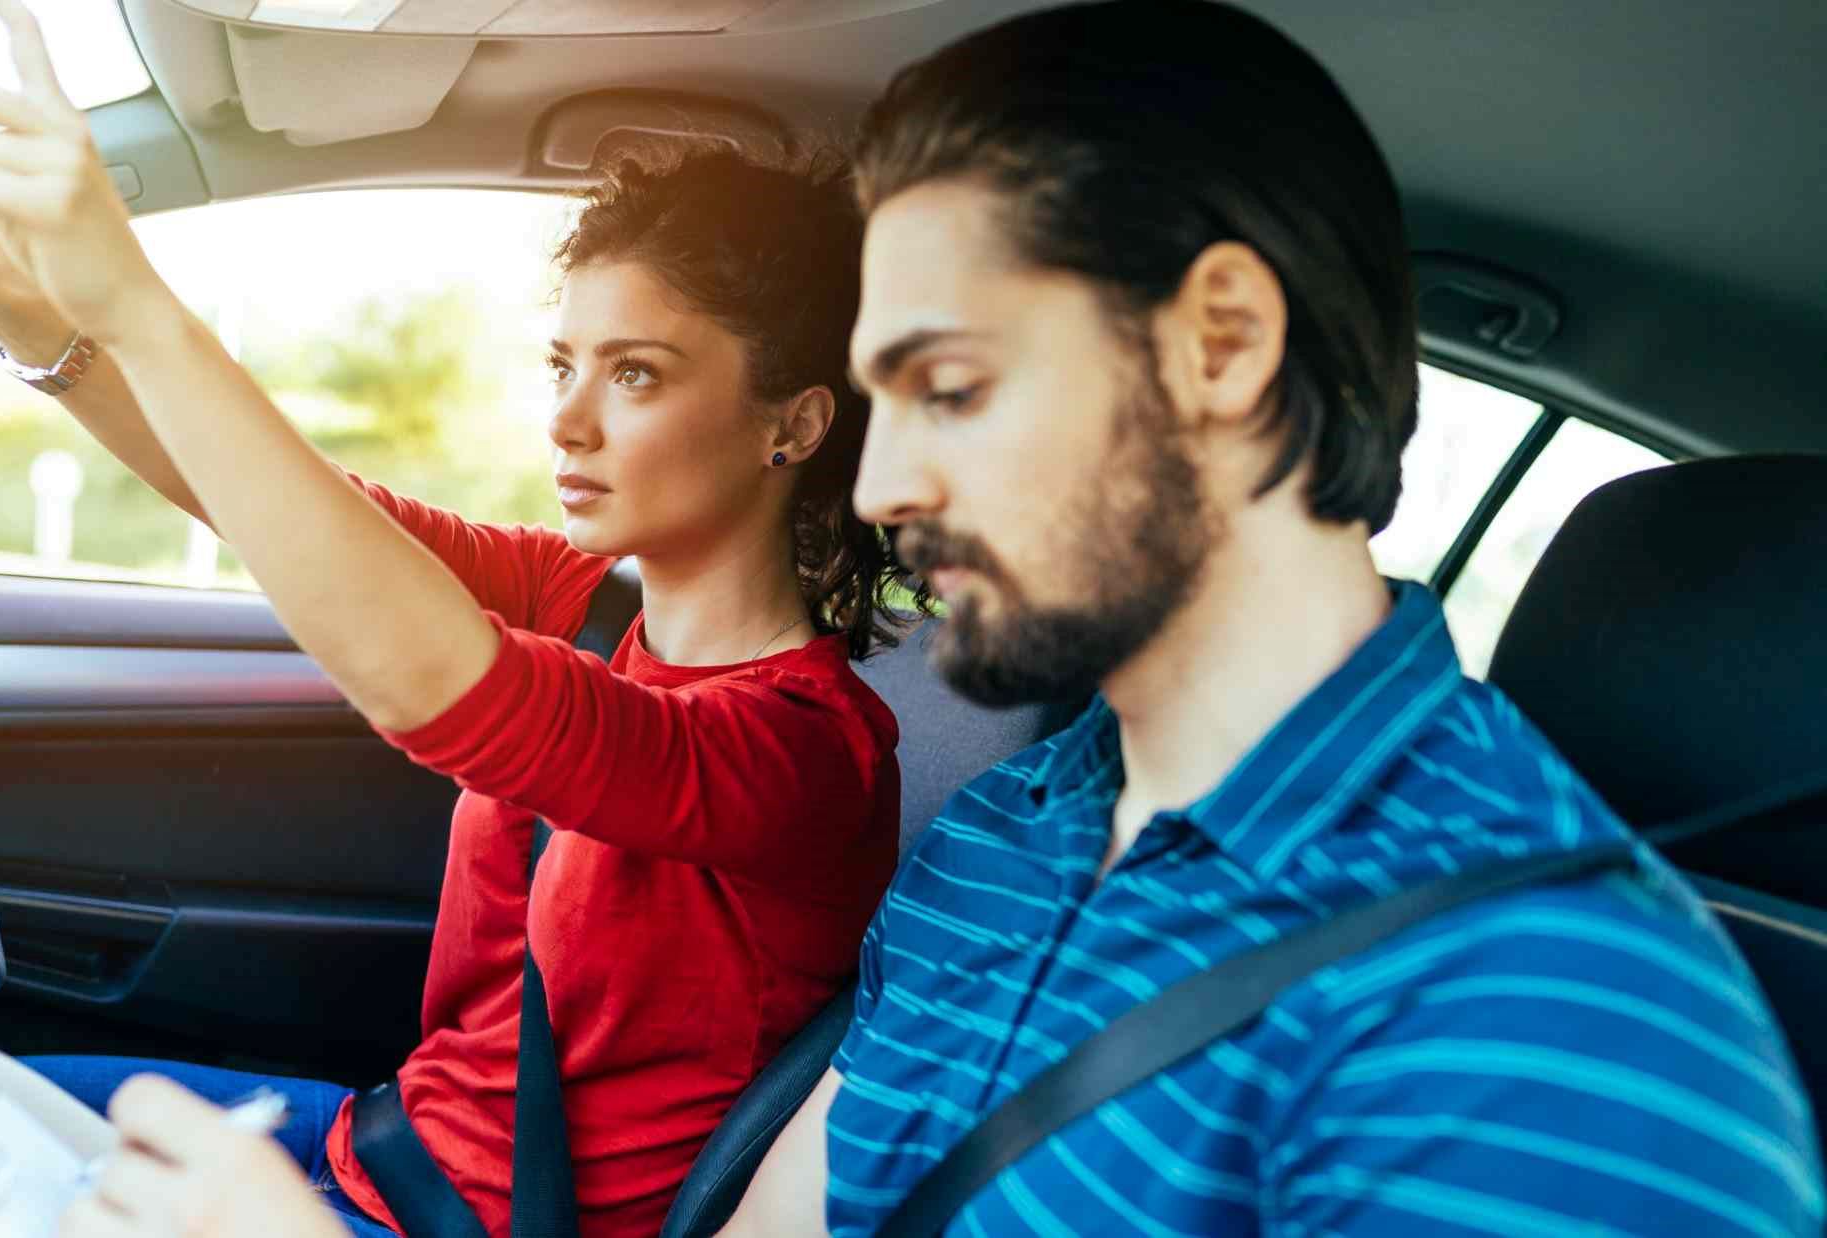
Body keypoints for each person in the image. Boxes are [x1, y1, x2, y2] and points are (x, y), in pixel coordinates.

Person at [0, 1, 913, 1234]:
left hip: (448, 1220)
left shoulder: (809, 750)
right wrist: (5, 298)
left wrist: (134, 298)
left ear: (795, 424)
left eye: (636, 372)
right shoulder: (586, 601)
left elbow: (448, 691)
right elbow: (283, 502)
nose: (567, 419)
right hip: (380, 1147)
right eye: (563, 365)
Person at [718, 2, 1823, 1234]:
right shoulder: (989, 838)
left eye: (953, 387)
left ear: (1224, 343)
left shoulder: (1548, 1019)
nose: (880, 487)